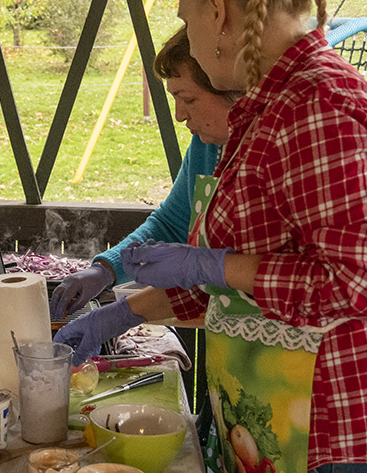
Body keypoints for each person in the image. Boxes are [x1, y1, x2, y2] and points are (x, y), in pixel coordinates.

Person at [57, 0, 367, 472]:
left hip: (328, 433)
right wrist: (119, 313)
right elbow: (243, 288)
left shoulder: (317, 104)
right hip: (279, 414)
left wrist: (208, 262)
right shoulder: (275, 103)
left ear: (217, 11)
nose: (188, 40)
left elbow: (366, 284)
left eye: (188, 25)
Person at [50, 25, 240, 320]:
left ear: (232, 89)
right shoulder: (206, 146)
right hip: (226, 335)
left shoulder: (272, 150)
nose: (180, 115)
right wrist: (105, 269)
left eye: (188, 99)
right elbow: (171, 224)